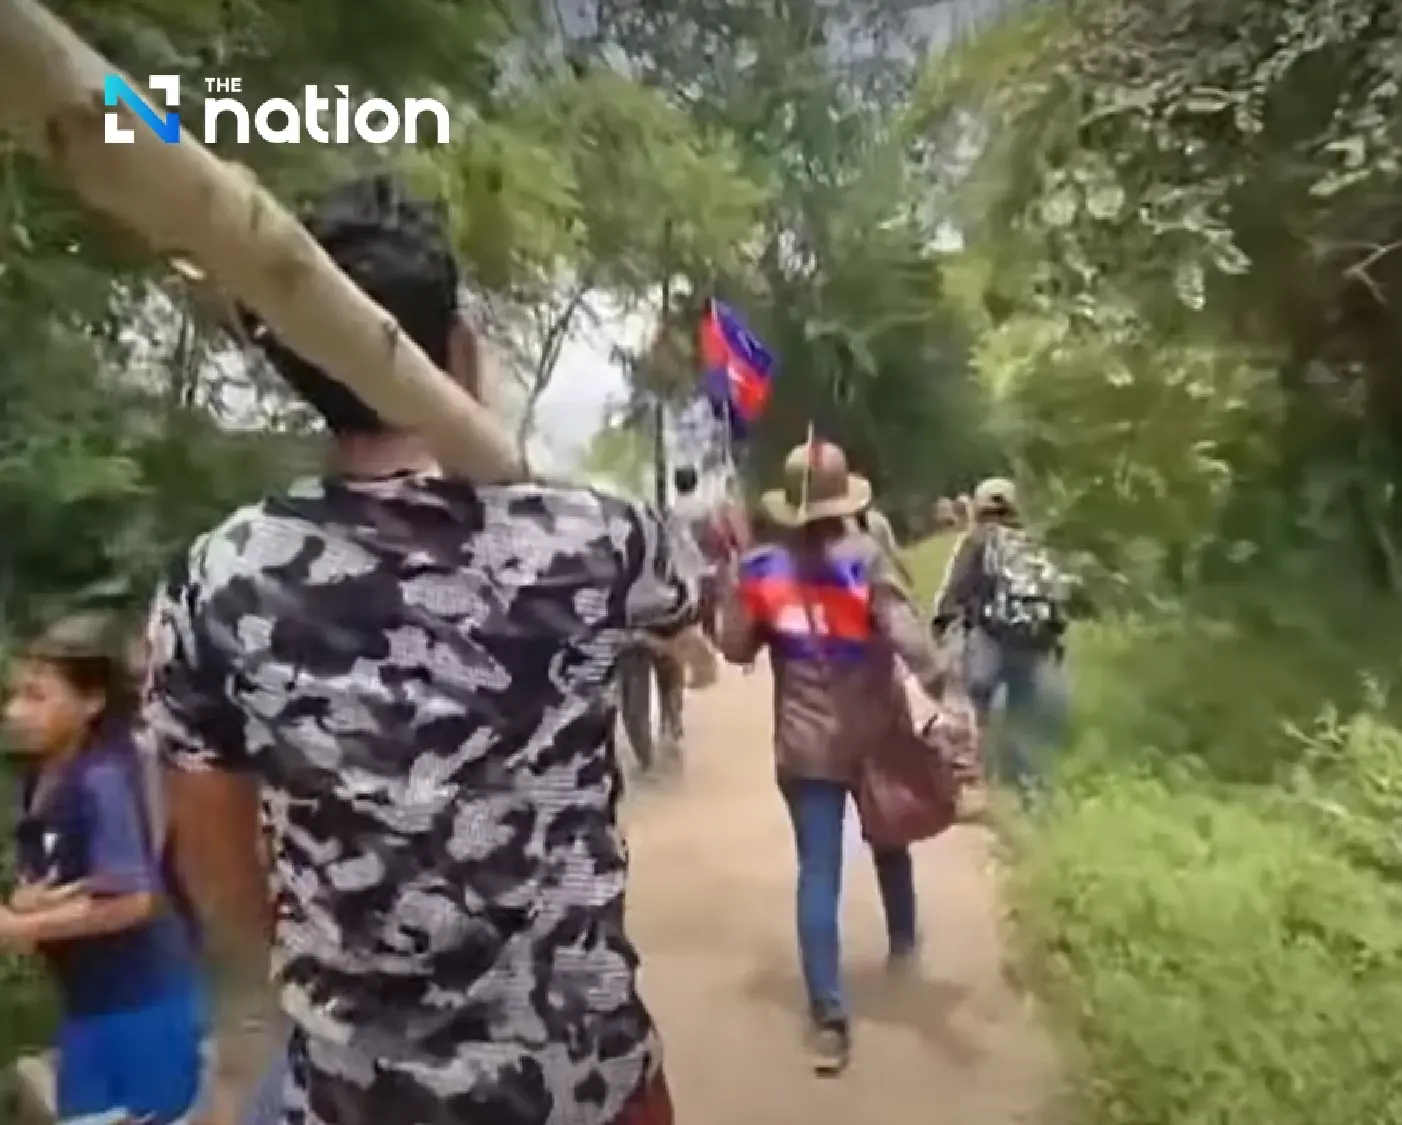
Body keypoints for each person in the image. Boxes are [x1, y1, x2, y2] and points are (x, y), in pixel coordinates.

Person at [142, 173, 703, 1125]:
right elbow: (694, 611)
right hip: (582, 1079)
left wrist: (312, 963)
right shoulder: (603, 538)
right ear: (459, 350)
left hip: (361, 1091)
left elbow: (214, 861)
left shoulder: (220, 577)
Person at [711, 440, 959, 1076]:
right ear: (843, 499)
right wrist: (949, 696)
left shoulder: (763, 568)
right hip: (874, 732)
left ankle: (829, 1018)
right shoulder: (867, 559)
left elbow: (734, 648)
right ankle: (903, 948)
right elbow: (910, 638)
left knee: (817, 871)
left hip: (804, 744)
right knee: (889, 837)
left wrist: (735, 582)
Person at [1, 612, 207, 1124]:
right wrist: (28, 902)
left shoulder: (103, 780)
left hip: (141, 1005)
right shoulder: (41, 776)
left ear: (91, 702)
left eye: (36, 695)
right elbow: (72, 875)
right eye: (14, 695)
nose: (15, 711)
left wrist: (21, 926)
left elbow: (135, 899)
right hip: (90, 1008)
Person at [932, 477, 1074, 797]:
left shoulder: (977, 539)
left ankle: (973, 788)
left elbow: (954, 588)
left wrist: (940, 627)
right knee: (1022, 718)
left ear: (979, 507)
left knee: (972, 712)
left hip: (989, 640)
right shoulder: (1035, 542)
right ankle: (1024, 791)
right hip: (1035, 644)